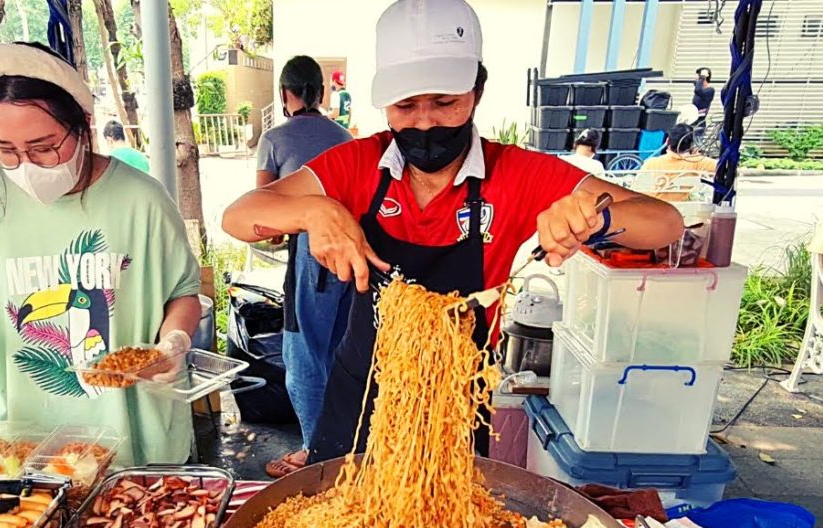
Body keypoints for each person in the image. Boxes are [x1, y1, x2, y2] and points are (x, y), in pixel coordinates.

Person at [222, 0, 682, 466]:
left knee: (441, 525)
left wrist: (595, 218)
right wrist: (313, 210)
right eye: (405, 106)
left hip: (455, 401)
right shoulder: (359, 164)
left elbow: (665, 223)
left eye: (444, 102)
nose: (424, 122)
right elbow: (240, 216)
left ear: (476, 91)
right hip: (359, 395)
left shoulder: (517, 173)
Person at [0, 42, 204, 465]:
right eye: (6, 150)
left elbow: (182, 292)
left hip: (139, 440)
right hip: (31, 445)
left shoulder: (142, 199)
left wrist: (173, 342)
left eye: (44, 146)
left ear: (84, 124)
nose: (26, 164)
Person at [256, 55, 353, 478]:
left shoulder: (275, 139)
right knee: (340, 352)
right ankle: (344, 446)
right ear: (321, 92)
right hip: (352, 254)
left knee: (301, 358)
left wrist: (285, 226)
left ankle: (317, 454)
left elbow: (262, 217)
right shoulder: (347, 137)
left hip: (311, 257)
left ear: (284, 94)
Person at [639, 123, 716, 202]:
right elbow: (721, 166)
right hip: (679, 209)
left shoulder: (651, 163)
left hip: (650, 207)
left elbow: (638, 189)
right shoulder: (697, 162)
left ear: (667, 141)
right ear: (691, 145)